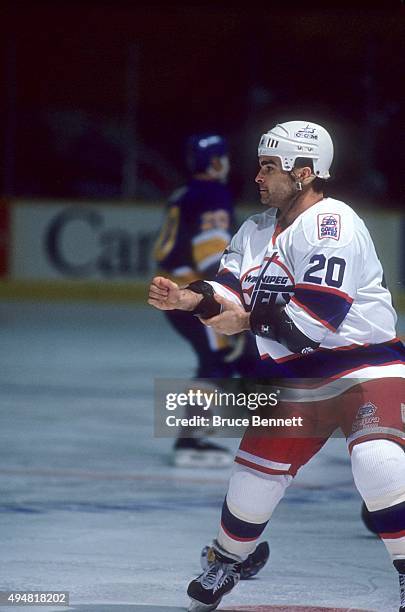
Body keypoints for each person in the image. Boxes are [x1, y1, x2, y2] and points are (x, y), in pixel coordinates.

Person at [148, 120, 405, 612]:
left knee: (378, 464)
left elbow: (312, 320)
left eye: (269, 167)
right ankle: (228, 559)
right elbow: (225, 289)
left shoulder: (335, 223)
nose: (258, 177)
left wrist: (240, 320)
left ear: (304, 172)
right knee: (251, 481)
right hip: (297, 376)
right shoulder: (254, 229)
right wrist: (189, 298)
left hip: (364, 369)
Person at [153, 133, 266, 468]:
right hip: (194, 295)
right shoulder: (214, 194)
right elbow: (211, 255)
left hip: (179, 291)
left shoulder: (182, 194)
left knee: (242, 355)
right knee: (219, 359)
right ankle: (190, 441)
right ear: (216, 161)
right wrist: (223, 298)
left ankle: (270, 427)